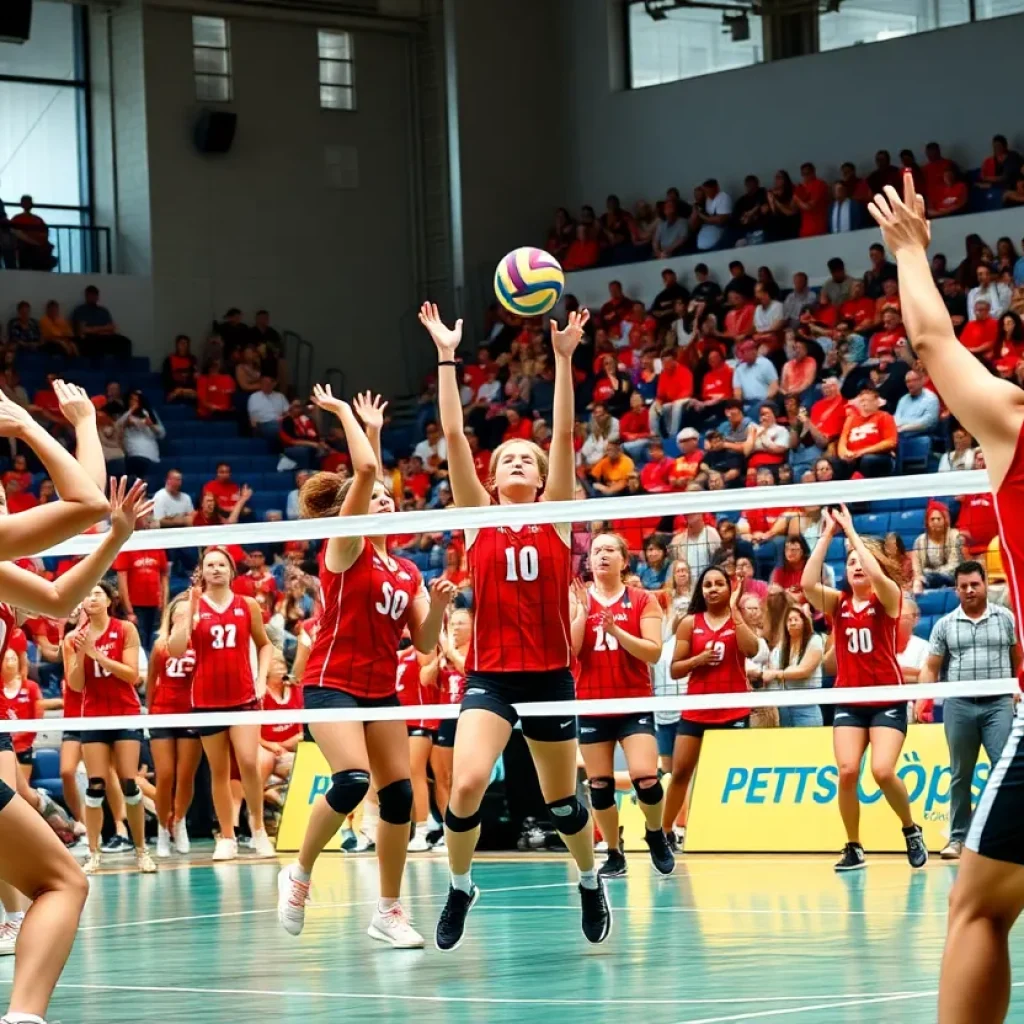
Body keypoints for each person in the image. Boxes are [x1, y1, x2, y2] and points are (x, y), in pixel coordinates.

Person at [419, 301, 612, 952]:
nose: (520, 464)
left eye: (526, 460)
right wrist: (447, 355)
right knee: (468, 782)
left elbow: (562, 438)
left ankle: (589, 877)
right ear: (493, 478)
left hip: (551, 678)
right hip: (492, 678)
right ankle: (461, 882)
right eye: (508, 460)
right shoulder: (478, 517)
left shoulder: (559, 516)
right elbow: (451, 437)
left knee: (562, 804)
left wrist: (563, 361)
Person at [275, 384, 454, 948]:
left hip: (381, 690)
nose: (381, 499)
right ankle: (299, 873)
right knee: (352, 781)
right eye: (370, 496)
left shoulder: (405, 570)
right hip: (330, 683)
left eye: (385, 498)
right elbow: (370, 468)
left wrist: (442, 607)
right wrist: (348, 418)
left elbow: (424, 643)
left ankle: (388, 910)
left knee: (398, 796)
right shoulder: (341, 550)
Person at [801, 505, 927, 872]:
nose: (856, 565)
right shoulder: (838, 603)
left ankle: (910, 829)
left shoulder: (888, 598)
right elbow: (808, 584)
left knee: (883, 771)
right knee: (847, 772)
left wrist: (853, 534)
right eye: (851, 560)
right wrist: (828, 535)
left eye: (863, 561)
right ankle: (854, 846)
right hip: (850, 700)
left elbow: (876, 574)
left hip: (886, 697)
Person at [570, 534, 672, 878]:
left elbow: (653, 651)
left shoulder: (643, 600)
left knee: (646, 777)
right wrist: (581, 613)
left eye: (610, 550)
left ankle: (656, 833)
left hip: (633, 701)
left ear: (624, 560)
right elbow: (571, 650)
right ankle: (614, 851)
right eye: (596, 550)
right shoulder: (577, 598)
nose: (601, 555)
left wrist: (617, 631)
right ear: (589, 561)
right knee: (599, 784)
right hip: (593, 702)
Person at [168, 546, 275, 861]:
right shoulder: (192, 606)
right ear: (202, 571)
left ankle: (257, 830)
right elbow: (174, 650)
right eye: (210, 564)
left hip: (243, 697)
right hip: (206, 699)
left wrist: (260, 680)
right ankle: (226, 836)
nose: (216, 569)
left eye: (221, 564)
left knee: (249, 763)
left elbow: (265, 644)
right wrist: (184, 618)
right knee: (218, 769)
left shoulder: (248, 605)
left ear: (231, 570)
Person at [920, 562, 1018, 861]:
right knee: (960, 774)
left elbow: (1019, 659)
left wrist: (1016, 688)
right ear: (956, 589)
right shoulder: (945, 625)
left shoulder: (1006, 620)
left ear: (985, 584)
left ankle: (1006, 836)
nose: (969, 590)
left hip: (998, 703)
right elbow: (931, 668)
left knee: (1005, 770)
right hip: (959, 704)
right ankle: (958, 837)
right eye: (963, 586)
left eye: (974, 584)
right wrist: (921, 697)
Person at [64, 576, 157, 876]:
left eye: (96, 594)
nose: (91, 599)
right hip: (93, 715)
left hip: (125, 713)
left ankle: (141, 851)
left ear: (109, 600)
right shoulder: (72, 639)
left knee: (129, 783)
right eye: (86, 595)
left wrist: (98, 654)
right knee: (95, 787)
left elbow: (132, 676)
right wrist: (81, 649)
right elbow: (76, 685)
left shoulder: (125, 629)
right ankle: (94, 853)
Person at [661, 566, 759, 840]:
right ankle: (665, 832)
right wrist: (698, 660)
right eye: (707, 585)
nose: (713, 589)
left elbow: (752, 649)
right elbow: (675, 670)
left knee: (734, 775)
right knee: (680, 772)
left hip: (734, 708)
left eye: (719, 584)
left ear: (729, 589)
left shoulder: (736, 620)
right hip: (698, 709)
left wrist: (735, 610)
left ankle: (735, 832)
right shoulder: (690, 623)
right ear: (701, 591)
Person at [146, 594, 202, 858]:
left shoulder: (200, 643)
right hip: (163, 713)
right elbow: (151, 681)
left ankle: (178, 822)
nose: (181, 619)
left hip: (192, 713)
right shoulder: (161, 646)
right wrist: (149, 713)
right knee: (165, 774)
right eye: (177, 615)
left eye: (186, 615)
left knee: (185, 774)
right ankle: (161, 828)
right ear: (170, 618)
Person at [762, 602, 824, 726]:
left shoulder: (814, 640)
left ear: (804, 621)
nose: (793, 623)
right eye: (789, 620)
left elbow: (804, 671)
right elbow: (770, 668)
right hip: (784, 708)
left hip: (806, 708)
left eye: (796, 619)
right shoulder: (781, 646)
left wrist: (777, 674)